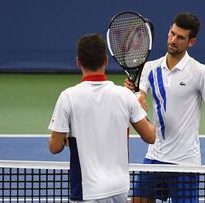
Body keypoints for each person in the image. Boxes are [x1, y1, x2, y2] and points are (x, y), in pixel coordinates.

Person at [124, 12, 205, 202]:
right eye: (172, 33)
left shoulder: (200, 72)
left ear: (191, 42)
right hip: (154, 157)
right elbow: (141, 95)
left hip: (185, 163)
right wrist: (135, 97)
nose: (173, 40)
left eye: (180, 37)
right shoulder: (150, 68)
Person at [48, 33, 155, 203]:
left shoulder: (68, 97)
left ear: (78, 62)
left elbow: (54, 147)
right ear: (106, 60)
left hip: (87, 191)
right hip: (119, 189)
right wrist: (143, 111)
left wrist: (66, 138)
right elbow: (151, 136)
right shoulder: (125, 96)